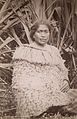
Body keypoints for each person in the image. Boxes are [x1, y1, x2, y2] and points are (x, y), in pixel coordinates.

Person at [12, 20, 74, 118]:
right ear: (33, 34)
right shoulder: (25, 51)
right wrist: (42, 86)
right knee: (34, 100)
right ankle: (53, 108)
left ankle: (55, 107)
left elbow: (63, 70)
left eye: (46, 32)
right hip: (35, 89)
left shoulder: (54, 50)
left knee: (73, 95)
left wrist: (65, 80)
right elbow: (20, 77)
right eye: (39, 32)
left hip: (57, 89)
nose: (43, 35)